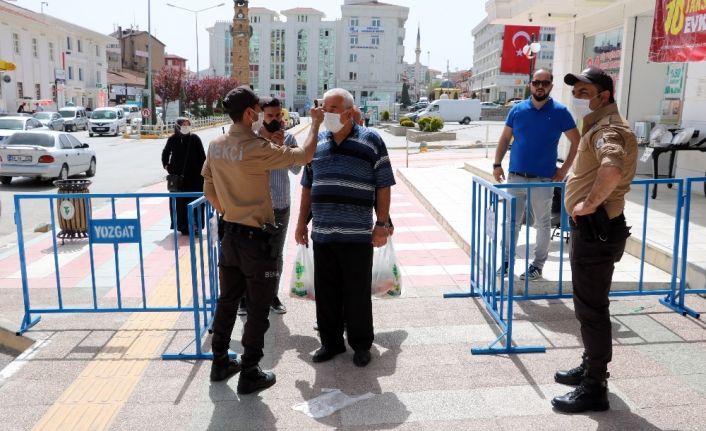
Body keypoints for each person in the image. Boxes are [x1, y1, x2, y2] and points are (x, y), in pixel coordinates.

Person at [202, 85, 318, 394]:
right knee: (257, 306)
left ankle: (219, 362)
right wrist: (316, 123)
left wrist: (229, 210)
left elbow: (208, 190)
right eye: (257, 110)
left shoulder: (215, 145)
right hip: (256, 241)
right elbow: (305, 155)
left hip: (229, 235)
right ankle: (250, 371)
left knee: (227, 301)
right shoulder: (256, 147)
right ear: (251, 113)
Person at [551, 66, 637, 413]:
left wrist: (587, 204)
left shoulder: (609, 129)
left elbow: (612, 166)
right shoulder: (598, 125)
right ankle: (590, 366)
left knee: (592, 310)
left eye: (586, 89)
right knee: (588, 306)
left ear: (605, 95)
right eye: (577, 89)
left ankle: (595, 386)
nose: (579, 93)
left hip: (597, 231)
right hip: (595, 231)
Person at [294, 88, 395, 368]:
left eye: (333, 109)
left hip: (357, 234)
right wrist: (302, 222)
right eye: (324, 107)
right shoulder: (317, 143)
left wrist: (382, 223)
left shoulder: (371, 140)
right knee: (326, 293)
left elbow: (383, 184)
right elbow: (307, 186)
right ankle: (330, 342)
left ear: (350, 112)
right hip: (323, 233)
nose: (326, 113)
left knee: (356, 293)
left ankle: (361, 344)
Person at [492, 69, 580, 281]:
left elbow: (577, 141)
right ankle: (506, 262)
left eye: (545, 83)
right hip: (515, 177)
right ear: (530, 85)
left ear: (551, 85)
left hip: (543, 179)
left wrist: (564, 169)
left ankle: (537, 266)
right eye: (536, 82)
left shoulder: (560, 112)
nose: (540, 86)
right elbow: (505, 138)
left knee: (542, 223)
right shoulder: (518, 110)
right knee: (510, 222)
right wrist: (497, 164)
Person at [237, 96, 301, 316]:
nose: (274, 120)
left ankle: (272, 295)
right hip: (253, 206)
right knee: (250, 253)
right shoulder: (250, 139)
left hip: (280, 205)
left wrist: (281, 148)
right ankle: (245, 299)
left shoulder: (290, 138)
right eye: (269, 116)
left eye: (277, 115)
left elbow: (296, 170)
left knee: (275, 254)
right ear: (261, 116)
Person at [161, 117, 206, 235]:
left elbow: (203, 157)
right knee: (180, 204)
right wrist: (167, 166)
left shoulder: (194, 139)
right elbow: (165, 153)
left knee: (195, 202)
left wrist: (205, 174)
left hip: (195, 179)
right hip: (178, 180)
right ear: (178, 126)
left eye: (188, 124)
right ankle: (182, 226)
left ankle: (196, 225)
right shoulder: (173, 139)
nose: (186, 127)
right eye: (184, 124)